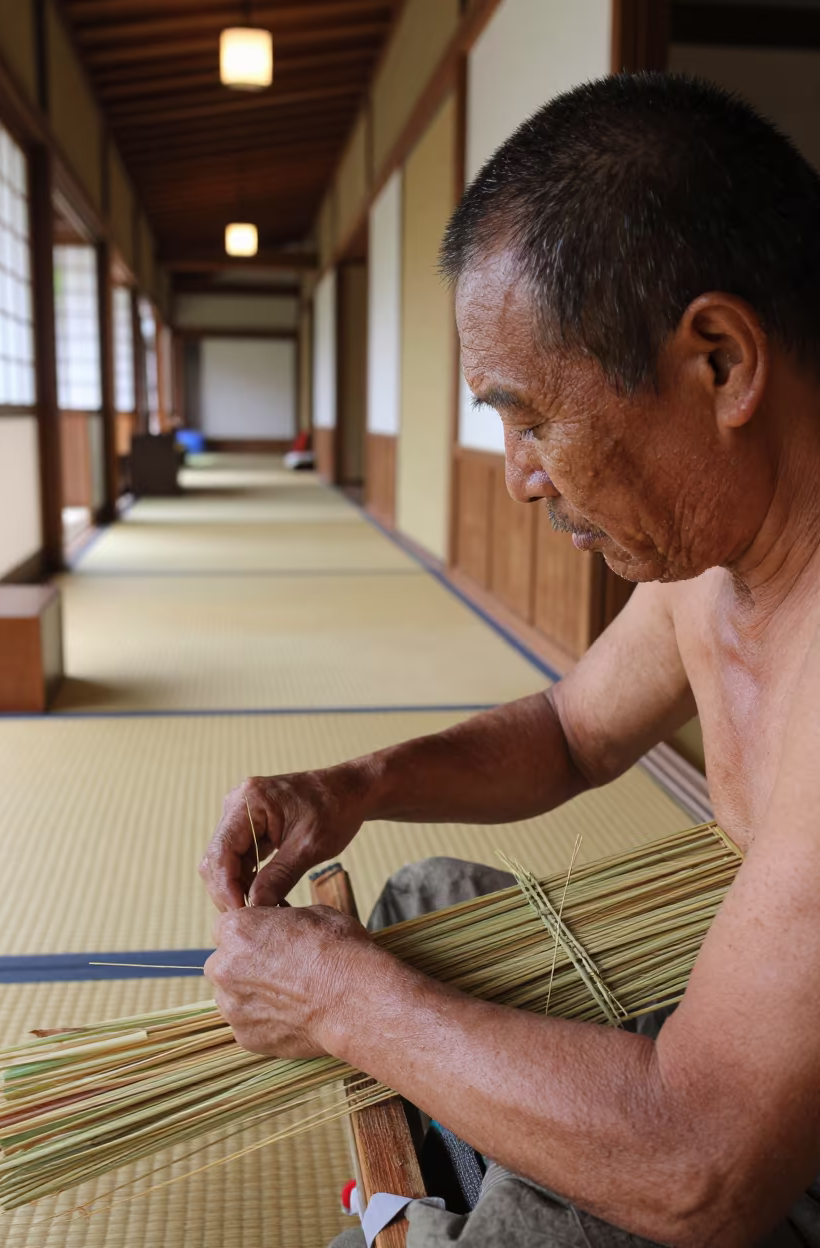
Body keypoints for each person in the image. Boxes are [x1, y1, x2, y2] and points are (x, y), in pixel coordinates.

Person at [200, 73, 820, 1245]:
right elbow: (571, 731)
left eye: (531, 418)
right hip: (740, 1037)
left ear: (721, 363)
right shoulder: (711, 554)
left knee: (544, 1206)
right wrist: (358, 787)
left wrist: (339, 1001)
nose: (517, 475)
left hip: (757, 1142)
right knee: (422, 904)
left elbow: (706, 1164)